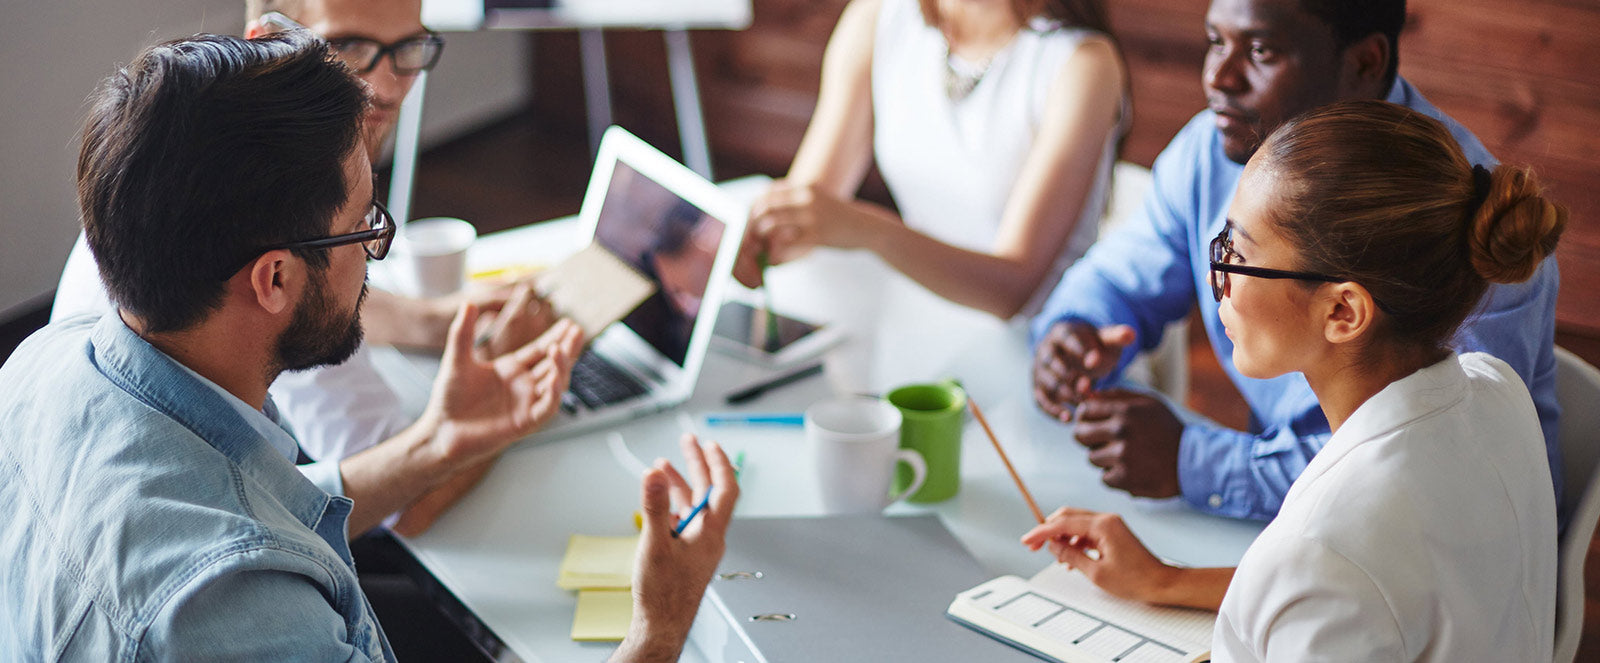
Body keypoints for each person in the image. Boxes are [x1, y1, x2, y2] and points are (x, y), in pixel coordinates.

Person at [0, 33, 736, 661]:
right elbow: (234, 559)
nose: (375, 252)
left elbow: (247, 512)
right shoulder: (233, 608)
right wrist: (659, 627)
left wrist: (443, 440)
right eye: (365, 226)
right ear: (276, 277)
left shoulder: (47, 362)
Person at [1024, 100, 1565, 660]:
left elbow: (1327, 580)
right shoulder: (1497, 389)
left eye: (1236, 252)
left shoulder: (1324, 549)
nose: (1215, 275)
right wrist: (1163, 581)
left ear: (1342, 313)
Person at [1029, 0, 1562, 522]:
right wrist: (1074, 331)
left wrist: (1197, 462)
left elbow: (1428, 474)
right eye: (1216, 41)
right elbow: (1119, 276)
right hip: (1306, 524)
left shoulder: (1460, 226)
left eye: (1260, 50)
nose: (1219, 76)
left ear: (1363, 63)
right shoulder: (1212, 149)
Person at [50, 0, 539, 534]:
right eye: (349, 47)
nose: (387, 88)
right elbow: (404, 508)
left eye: (408, 49)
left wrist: (429, 322)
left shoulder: (168, 163)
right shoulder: (274, 236)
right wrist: (499, 395)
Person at [737, 0, 1127, 319]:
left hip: (1050, 350)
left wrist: (870, 231)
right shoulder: (879, 16)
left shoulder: (1083, 64)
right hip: (922, 320)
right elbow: (812, 204)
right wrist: (755, 241)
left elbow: (1013, 291)